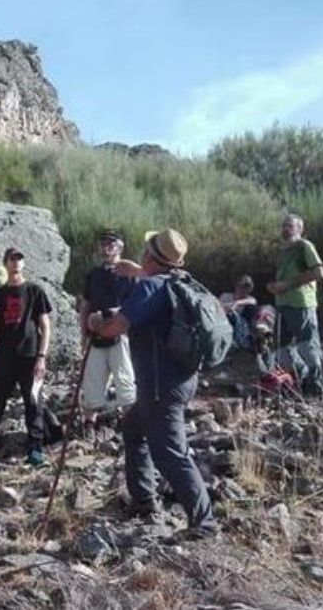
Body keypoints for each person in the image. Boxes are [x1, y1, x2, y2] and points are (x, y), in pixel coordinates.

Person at [88, 229, 218, 538]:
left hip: (161, 386)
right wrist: (136, 272)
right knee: (133, 430)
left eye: (145, 249)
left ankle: (205, 524)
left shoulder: (148, 288)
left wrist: (96, 323)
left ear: (149, 255)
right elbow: (139, 309)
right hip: (179, 379)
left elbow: (115, 329)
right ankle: (144, 501)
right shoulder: (177, 282)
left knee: (171, 453)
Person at [0, 248, 53, 467]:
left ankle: (35, 448)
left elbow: (45, 326)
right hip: (4, 356)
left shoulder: (35, 291)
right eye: (12, 259)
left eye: (20, 259)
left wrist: (42, 356)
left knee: (33, 402)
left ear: (23, 264)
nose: (16, 263)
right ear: (5, 263)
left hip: (30, 355)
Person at [78, 230, 137, 439]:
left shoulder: (130, 274)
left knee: (125, 379)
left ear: (120, 247)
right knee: (92, 381)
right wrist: (83, 332)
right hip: (96, 335)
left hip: (121, 334)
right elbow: (86, 304)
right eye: (104, 244)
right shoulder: (94, 274)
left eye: (111, 244)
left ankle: (131, 425)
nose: (107, 247)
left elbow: (135, 305)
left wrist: (111, 316)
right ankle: (88, 426)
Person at [267, 214, 323, 395]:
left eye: (290, 226)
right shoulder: (283, 251)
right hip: (283, 305)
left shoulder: (304, 246)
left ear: (300, 229)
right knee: (281, 351)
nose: (286, 229)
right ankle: (303, 379)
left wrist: (286, 285)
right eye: (284, 226)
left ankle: (316, 389)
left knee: (308, 347)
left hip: (302, 304)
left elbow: (318, 272)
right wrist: (275, 288)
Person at [219, 274, 258, 351]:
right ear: (236, 286)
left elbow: (253, 302)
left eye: (247, 288)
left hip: (240, 323)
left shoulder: (248, 299)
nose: (243, 290)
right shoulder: (225, 296)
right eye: (242, 287)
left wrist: (237, 303)